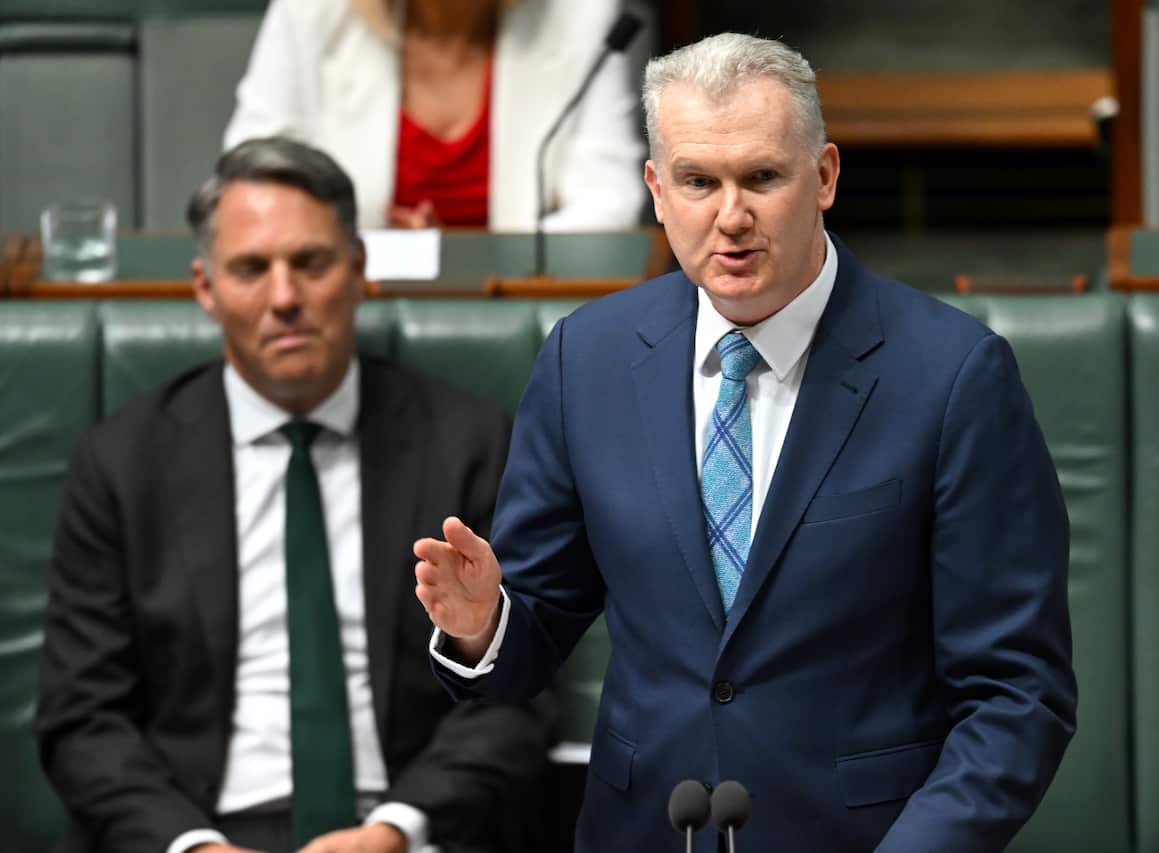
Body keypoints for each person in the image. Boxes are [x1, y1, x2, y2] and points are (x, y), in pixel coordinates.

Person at [414, 33, 1077, 852]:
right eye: (698, 181)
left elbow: (1017, 692)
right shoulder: (585, 360)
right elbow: (534, 636)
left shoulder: (953, 377)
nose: (731, 217)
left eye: (763, 177)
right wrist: (487, 625)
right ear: (657, 190)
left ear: (825, 176)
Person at [36, 137, 553, 853]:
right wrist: (193, 845)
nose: (284, 297)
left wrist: (395, 830)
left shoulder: (465, 444)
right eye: (251, 268)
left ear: (359, 270)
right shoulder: (122, 463)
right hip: (195, 828)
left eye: (309, 263)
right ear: (205, 288)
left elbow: (514, 687)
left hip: (403, 826)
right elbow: (81, 718)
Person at [224, 0, 647, 231]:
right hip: (346, 306)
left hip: (519, 313)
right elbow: (256, 173)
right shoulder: (311, 12)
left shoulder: (581, 15)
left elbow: (609, 203)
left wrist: (467, 261)